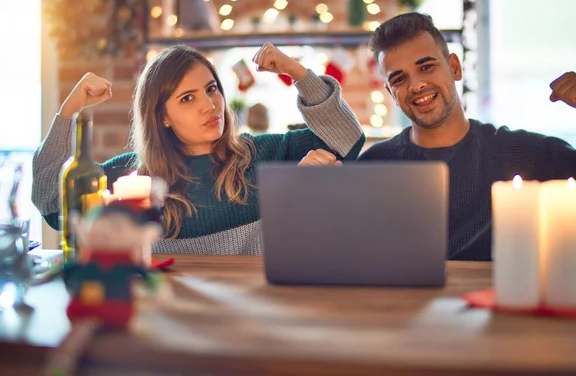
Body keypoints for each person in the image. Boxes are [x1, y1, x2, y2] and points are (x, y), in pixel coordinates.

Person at [32, 43, 365, 255]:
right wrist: (68, 110)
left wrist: (298, 72)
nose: (210, 105)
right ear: (161, 116)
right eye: (187, 98)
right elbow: (52, 207)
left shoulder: (263, 154)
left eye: (211, 89)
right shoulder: (127, 176)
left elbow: (346, 140)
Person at [352, 12, 576, 261]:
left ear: (455, 67)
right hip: (404, 301)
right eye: (399, 78)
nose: (416, 85)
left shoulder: (520, 153)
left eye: (426, 67)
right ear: (391, 93)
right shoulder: (373, 166)